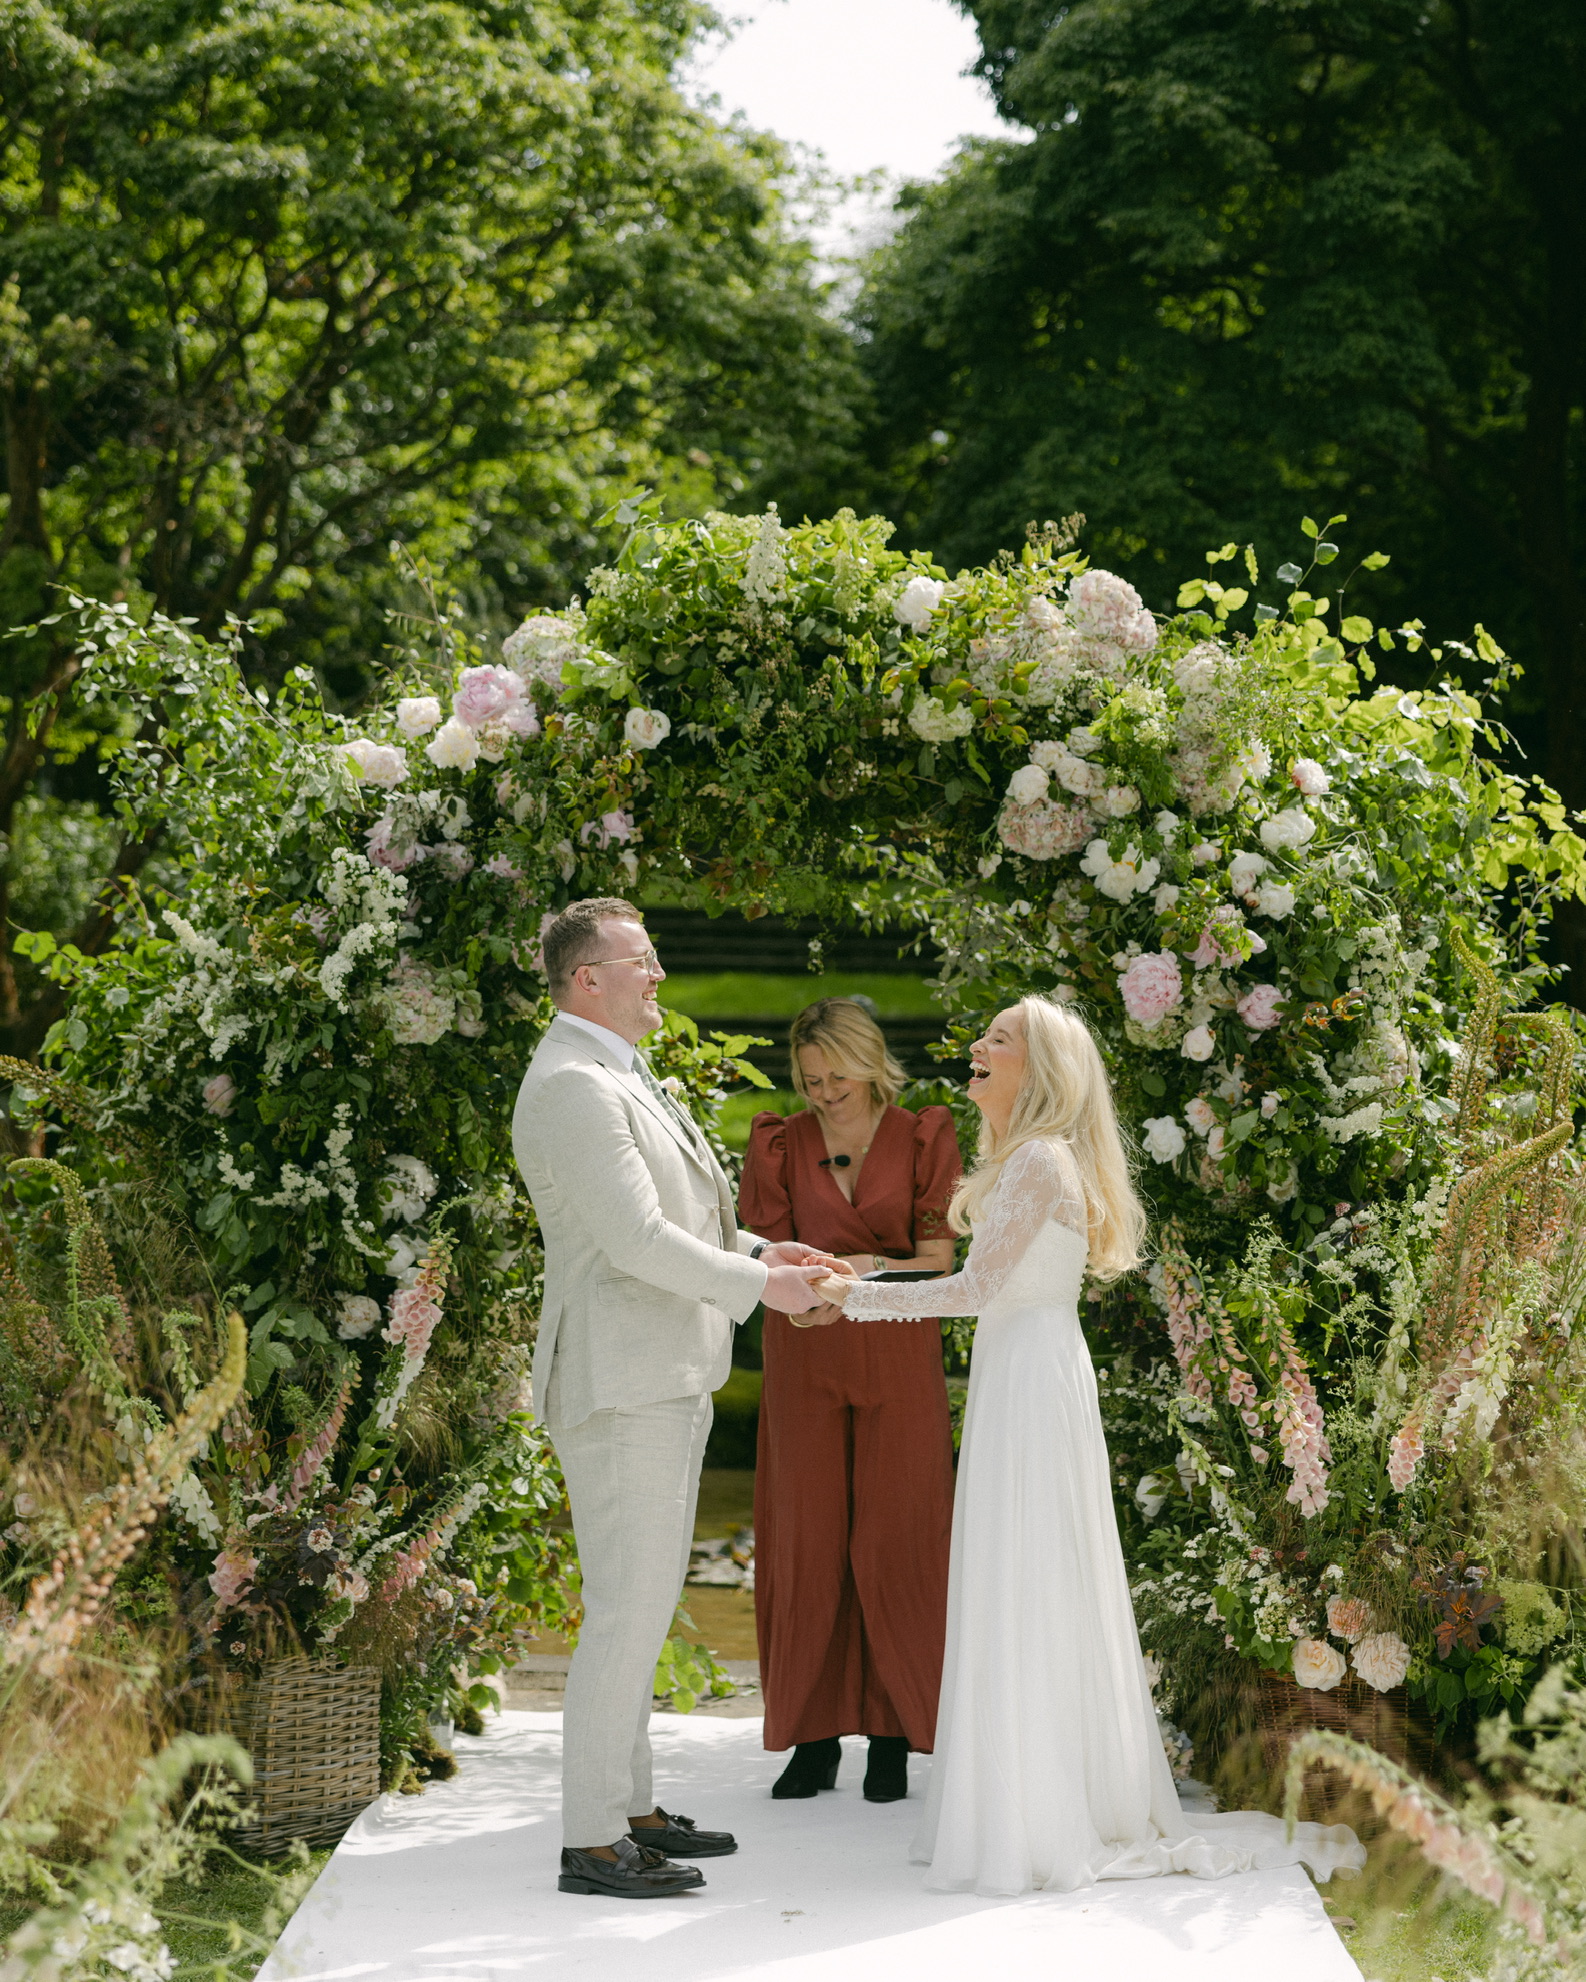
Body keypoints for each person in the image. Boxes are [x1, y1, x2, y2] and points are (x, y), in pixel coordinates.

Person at [811, 997, 1364, 1896]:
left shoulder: (1038, 1160)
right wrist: (862, 1280)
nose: (977, 1048)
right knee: (1019, 1576)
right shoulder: (1026, 1161)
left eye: (999, 1040)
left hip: (1030, 1382)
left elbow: (970, 1291)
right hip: (1025, 1374)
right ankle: (1021, 1796)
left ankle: (1032, 1812)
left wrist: (852, 1301)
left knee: (1023, 1576)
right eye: (982, 1035)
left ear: (1042, 1072)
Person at [511, 898, 834, 1901]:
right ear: (584, 981)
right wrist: (764, 1289)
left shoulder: (612, 1066)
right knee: (625, 1608)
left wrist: (754, 1249)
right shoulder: (570, 1083)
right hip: (620, 1377)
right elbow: (633, 1241)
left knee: (642, 1604)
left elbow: (675, 1212)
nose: (656, 975)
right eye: (637, 961)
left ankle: (633, 1807)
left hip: (660, 1367)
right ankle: (591, 1839)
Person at [739, 999, 961, 1806]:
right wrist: (797, 1299)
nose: (824, 1092)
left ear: (871, 1064)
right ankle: (813, 1735)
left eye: (836, 1076)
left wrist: (864, 1268)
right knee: (808, 1542)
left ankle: (896, 1734)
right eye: (809, 1079)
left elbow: (937, 1257)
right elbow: (763, 1257)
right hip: (805, 1354)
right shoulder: (778, 1142)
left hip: (899, 1354)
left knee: (898, 1540)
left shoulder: (926, 1136)